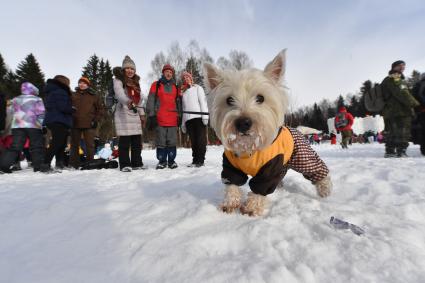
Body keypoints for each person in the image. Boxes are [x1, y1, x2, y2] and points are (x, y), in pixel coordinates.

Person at [0, 82, 48, 173]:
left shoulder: (14, 100)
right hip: (34, 125)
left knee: (15, 147)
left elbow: (9, 112)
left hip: (18, 126)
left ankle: (4, 165)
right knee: (36, 146)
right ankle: (38, 166)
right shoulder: (37, 99)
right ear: (33, 90)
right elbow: (41, 113)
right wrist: (42, 125)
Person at [113, 56, 145, 172]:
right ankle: (125, 164)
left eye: (132, 69)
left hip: (135, 113)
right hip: (123, 112)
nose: (130, 71)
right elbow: (119, 94)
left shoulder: (136, 83)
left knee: (137, 141)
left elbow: (140, 101)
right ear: (123, 69)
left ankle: (137, 163)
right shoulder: (118, 80)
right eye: (127, 68)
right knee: (125, 141)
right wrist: (128, 101)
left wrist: (142, 114)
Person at [146, 64, 181, 169]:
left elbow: (179, 103)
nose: (169, 73)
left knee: (172, 141)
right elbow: (151, 100)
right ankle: (162, 161)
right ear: (163, 72)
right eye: (167, 72)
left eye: (171, 72)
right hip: (160, 119)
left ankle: (171, 161)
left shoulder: (176, 86)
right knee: (161, 141)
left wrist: (180, 116)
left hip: (173, 119)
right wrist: (151, 115)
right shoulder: (156, 85)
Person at [381, 60, 419, 157]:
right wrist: (415, 104)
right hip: (400, 111)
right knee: (403, 131)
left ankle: (389, 151)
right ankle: (401, 151)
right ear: (394, 67)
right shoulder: (396, 78)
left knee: (391, 131)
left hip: (388, 111)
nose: (402, 67)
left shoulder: (386, 79)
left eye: (404, 65)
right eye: (400, 65)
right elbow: (402, 93)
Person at [69, 77, 103, 168]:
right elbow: (68, 107)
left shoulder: (94, 96)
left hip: (89, 123)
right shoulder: (73, 95)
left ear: (87, 85)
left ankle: (90, 163)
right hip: (75, 122)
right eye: (80, 83)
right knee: (74, 144)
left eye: (84, 83)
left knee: (90, 145)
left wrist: (96, 120)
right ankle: (73, 164)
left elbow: (100, 109)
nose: (82, 84)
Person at [43, 75, 74, 169]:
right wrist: (72, 109)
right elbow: (63, 107)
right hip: (58, 120)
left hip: (56, 119)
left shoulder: (53, 91)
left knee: (62, 142)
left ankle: (59, 163)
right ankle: (45, 163)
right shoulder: (61, 91)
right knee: (57, 142)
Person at [180, 71, 208, 167]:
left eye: (187, 77)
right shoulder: (183, 93)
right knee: (193, 141)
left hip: (198, 118)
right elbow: (183, 108)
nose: (186, 79)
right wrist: (183, 123)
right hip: (188, 120)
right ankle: (195, 160)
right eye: (184, 78)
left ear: (191, 79)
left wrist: (205, 117)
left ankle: (201, 160)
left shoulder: (197, 88)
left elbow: (203, 102)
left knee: (200, 140)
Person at [412, 72, 425, 155]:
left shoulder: (419, 84)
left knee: (422, 130)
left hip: (420, 111)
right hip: (423, 110)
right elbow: (420, 95)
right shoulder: (422, 83)